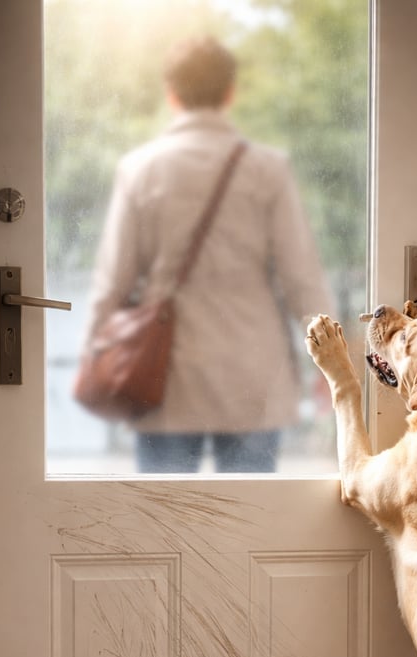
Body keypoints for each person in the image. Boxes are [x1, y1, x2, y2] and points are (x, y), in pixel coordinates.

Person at [83, 35, 334, 474]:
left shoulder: (140, 170)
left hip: (162, 376)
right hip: (251, 375)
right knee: (247, 527)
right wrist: (332, 365)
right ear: (230, 92)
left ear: (171, 94)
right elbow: (302, 278)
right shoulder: (267, 169)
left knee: (165, 528)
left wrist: (94, 353)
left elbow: (113, 281)